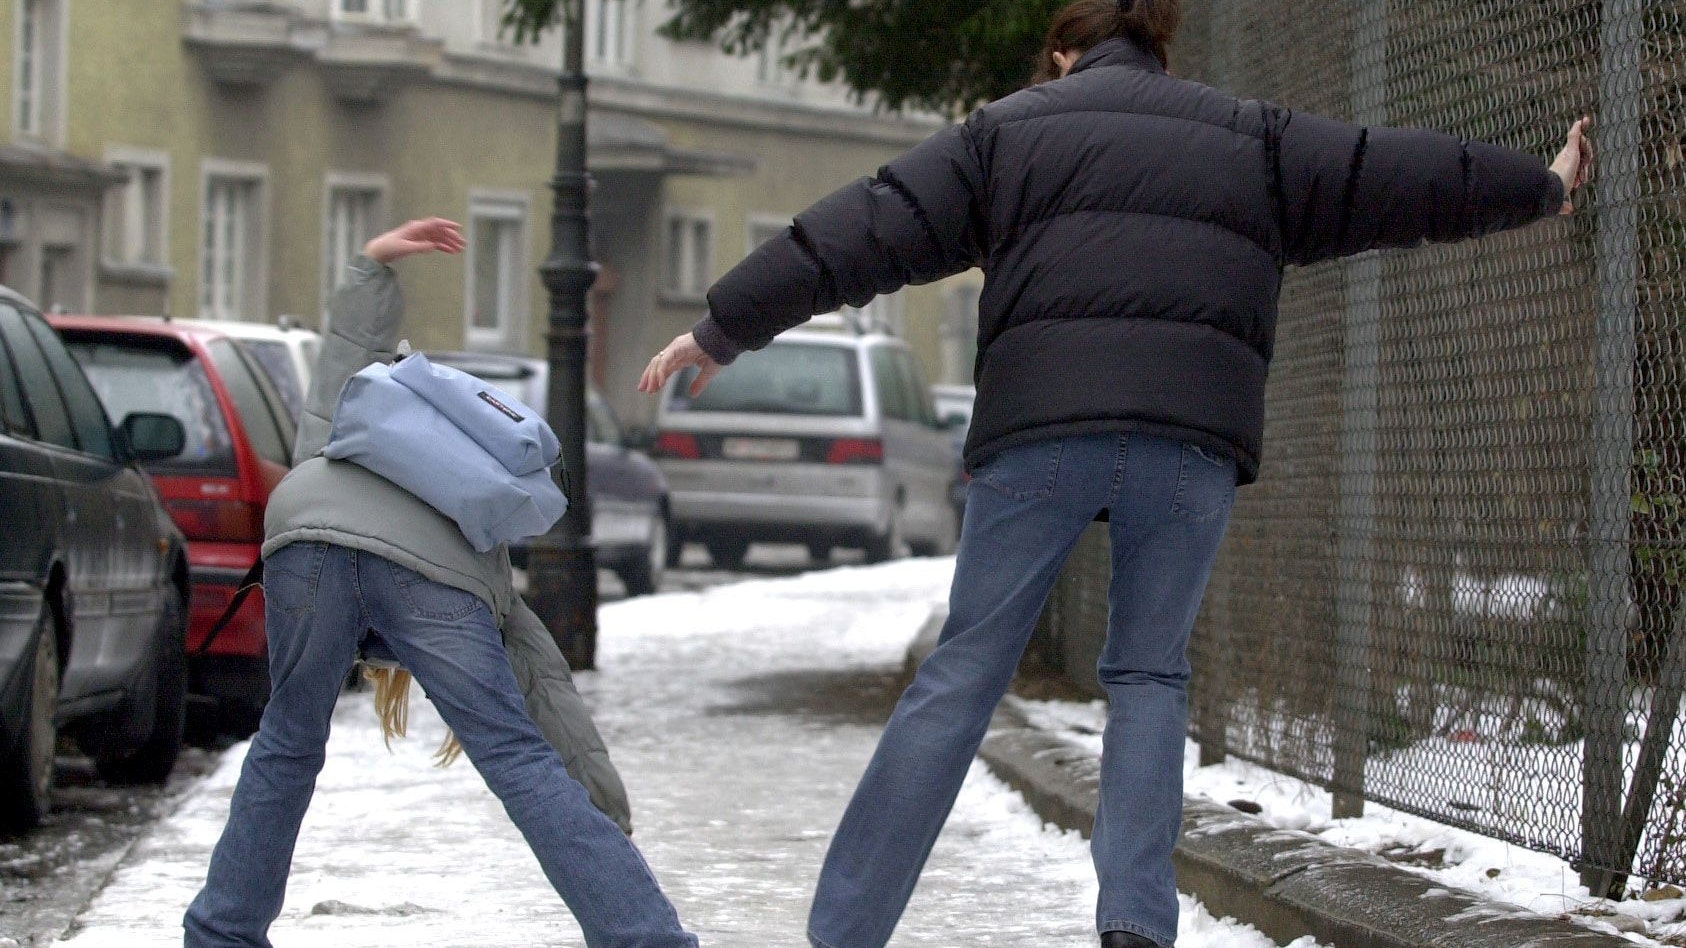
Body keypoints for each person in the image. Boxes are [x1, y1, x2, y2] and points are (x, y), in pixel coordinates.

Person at [637, 0, 1593, 945]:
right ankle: (1136, 925)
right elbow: (1398, 173)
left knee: (964, 671)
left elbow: (864, 228)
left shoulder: (1004, 135)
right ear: (1160, 53)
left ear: (1062, 55)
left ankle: (848, 930)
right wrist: (1540, 186)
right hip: (1191, 439)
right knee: (1147, 674)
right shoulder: (1253, 138)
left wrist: (727, 325)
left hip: (1040, 434)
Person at [184, 218, 699, 948]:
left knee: (288, 740)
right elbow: (551, 708)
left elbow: (342, 362)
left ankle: (222, 933)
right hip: (418, 575)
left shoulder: (350, 432)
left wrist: (373, 265)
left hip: (304, 535)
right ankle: (643, 937)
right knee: (515, 756)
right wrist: (604, 817)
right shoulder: (477, 564)